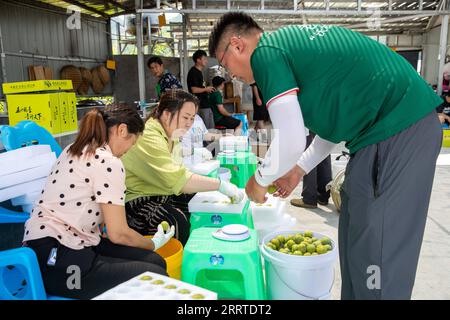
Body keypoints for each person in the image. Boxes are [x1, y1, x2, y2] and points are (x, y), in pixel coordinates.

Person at [209, 12, 443, 300]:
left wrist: (258, 181)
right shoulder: (293, 51)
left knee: (376, 249)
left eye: (224, 65)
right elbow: (335, 123)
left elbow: (292, 137)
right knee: (355, 240)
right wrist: (298, 170)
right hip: (377, 137)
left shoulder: (266, 54)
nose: (232, 75)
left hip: (396, 129)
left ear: (237, 45)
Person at [22, 104, 175, 300]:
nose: (129, 151)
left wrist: (148, 247)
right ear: (122, 130)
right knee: (155, 275)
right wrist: (152, 243)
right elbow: (118, 234)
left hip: (55, 247)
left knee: (155, 262)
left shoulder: (73, 149)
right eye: (133, 143)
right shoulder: (109, 162)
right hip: (59, 262)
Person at [121, 90, 244, 245]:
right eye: (185, 117)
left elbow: (177, 167)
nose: (189, 123)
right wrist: (220, 185)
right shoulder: (149, 135)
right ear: (166, 114)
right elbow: (179, 179)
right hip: (139, 199)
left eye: (192, 118)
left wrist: (194, 153)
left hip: (164, 191)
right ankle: (177, 262)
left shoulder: (172, 133)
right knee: (176, 221)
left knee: (198, 203)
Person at [290, 131, 332, 209]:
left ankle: (309, 198)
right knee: (323, 148)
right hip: (325, 121)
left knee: (310, 152)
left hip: (312, 121)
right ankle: (323, 196)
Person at [187, 50, 215, 129]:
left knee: (211, 128)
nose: (206, 61)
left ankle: (210, 141)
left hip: (205, 104)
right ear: (198, 60)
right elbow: (194, 89)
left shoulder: (199, 72)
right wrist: (206, 89)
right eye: (204, 58)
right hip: (200, 105)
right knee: (205, 129)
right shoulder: (193, 72)